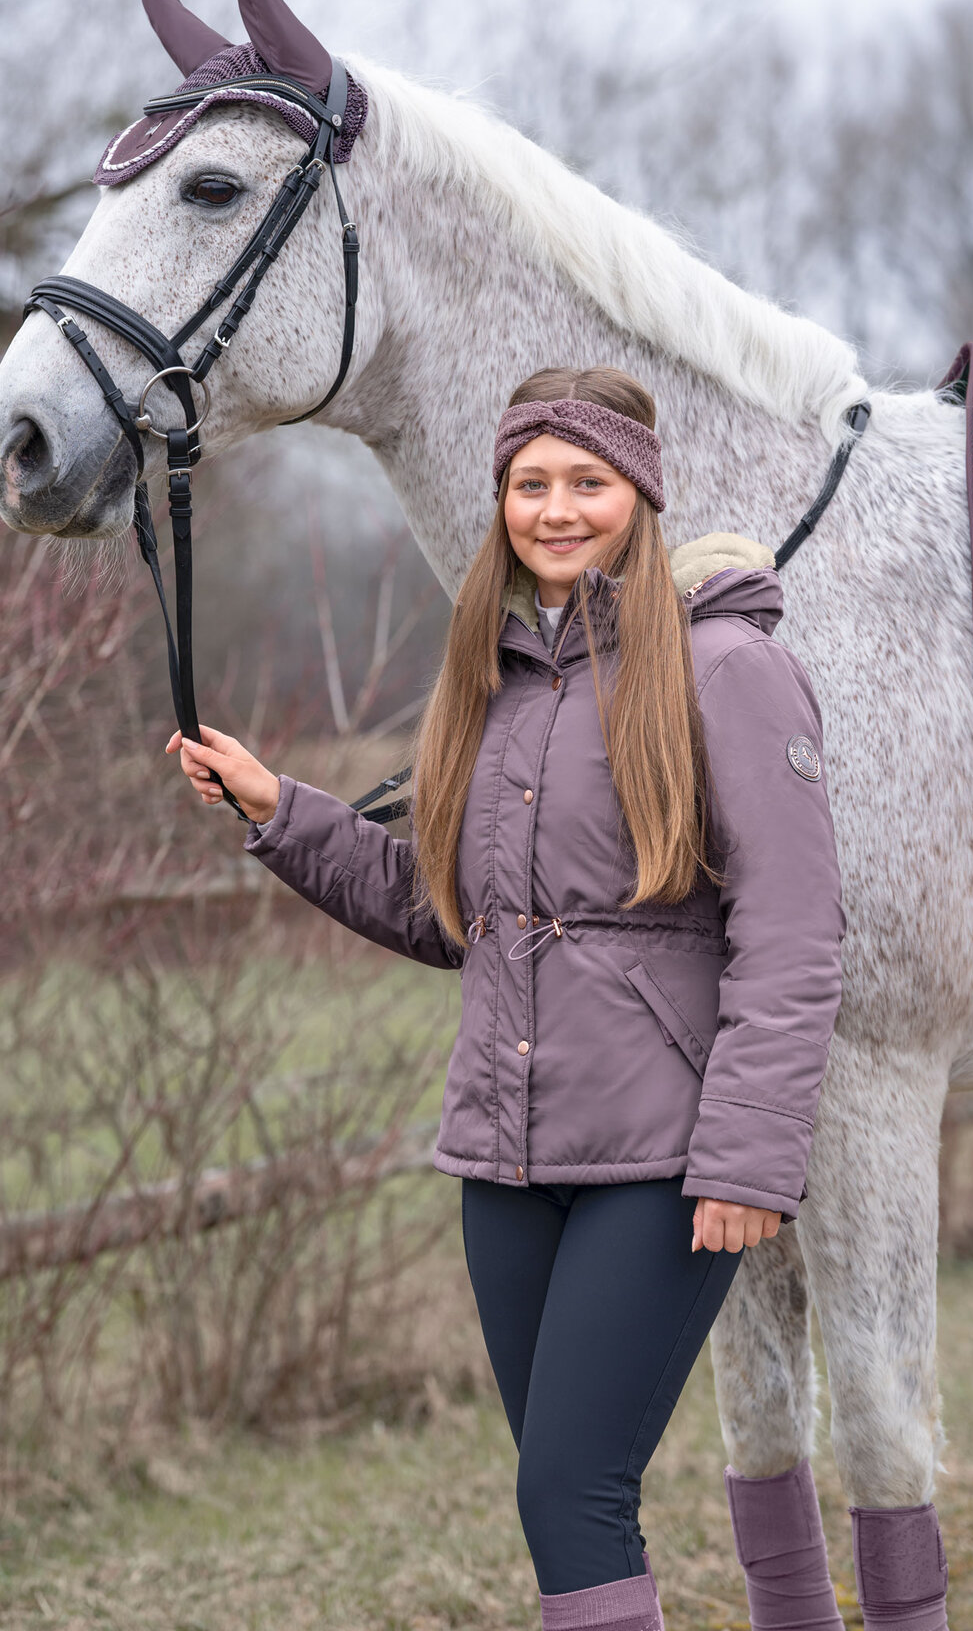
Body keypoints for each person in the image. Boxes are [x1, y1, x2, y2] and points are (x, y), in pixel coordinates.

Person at [167, 365, 846, 1631]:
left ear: (638, 496)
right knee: (561, 1496)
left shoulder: (728, 670)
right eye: (529, 484)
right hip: (506, 1159)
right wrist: (283, 813)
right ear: (499, 503)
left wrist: (749, 1164)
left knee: (570, 1491)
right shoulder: (491, 683)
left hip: (662, 1159)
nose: (554, 508)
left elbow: (796, 932)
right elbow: (453, 920)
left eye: (585, 482)